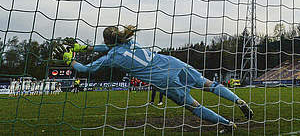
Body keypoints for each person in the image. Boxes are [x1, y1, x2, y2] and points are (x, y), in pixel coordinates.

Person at [54, 25, 253, 132]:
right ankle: (238, 100)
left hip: (162, 79)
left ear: (107, 41)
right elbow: (109, 46)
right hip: (173, 63)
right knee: (208, 84)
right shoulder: (131, 42)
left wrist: (69, 59)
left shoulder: (110, 57)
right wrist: (85, 47)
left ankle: (227, 124)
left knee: (194, 105)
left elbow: (85, 69)